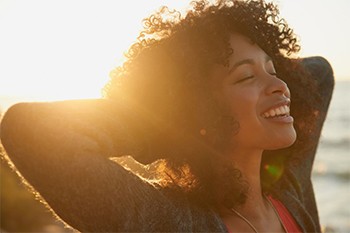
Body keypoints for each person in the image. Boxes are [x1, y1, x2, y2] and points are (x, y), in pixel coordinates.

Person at [0, 0, 334, 232]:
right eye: (246, 77)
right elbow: (27, 130)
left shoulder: (289, 189)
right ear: (202, 108)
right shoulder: (165, 220)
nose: (279, 85)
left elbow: (318, 74)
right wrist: (175, 122)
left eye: (273, 69)